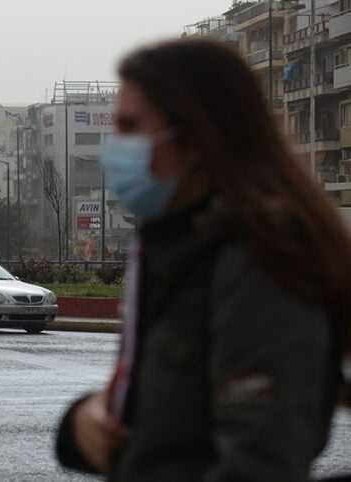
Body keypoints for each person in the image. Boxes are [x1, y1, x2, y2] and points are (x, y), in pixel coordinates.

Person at [55, 37, 351, 482]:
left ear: (193, 138)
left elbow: (259, 460)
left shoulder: (260, 260)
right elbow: (168, 422)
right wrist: (83, 422)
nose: (114, 147)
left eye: (130, 126)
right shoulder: (173, 249)